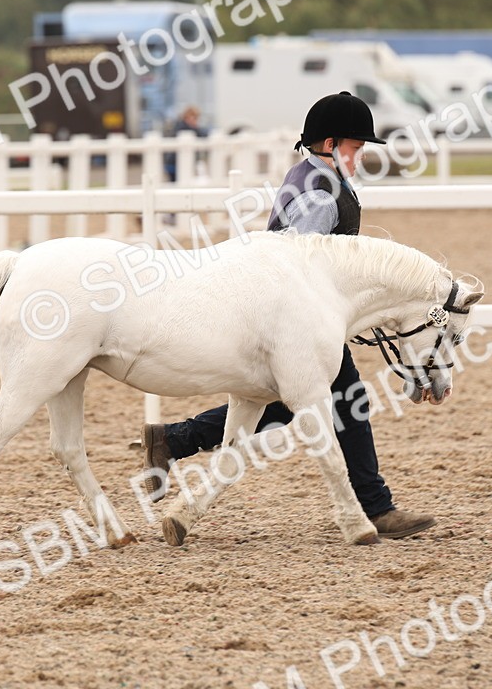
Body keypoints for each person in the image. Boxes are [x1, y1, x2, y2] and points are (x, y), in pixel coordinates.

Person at [141, 91, 437, 540]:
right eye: (355, 149)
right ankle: (375, 508)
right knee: (343, 404)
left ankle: (175, 440)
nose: (358, 160)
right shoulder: (319, 194)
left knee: (296, 403)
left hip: (311, 318)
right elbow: (302, 266)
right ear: (330, 143)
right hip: (297, 321)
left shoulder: (317, 176)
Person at [165, 106, 206, 183]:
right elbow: (202, 135)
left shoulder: (178, 125)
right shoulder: (185, 127)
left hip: (173, 163)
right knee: (177, 183)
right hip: (175, 163)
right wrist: (196, 127)